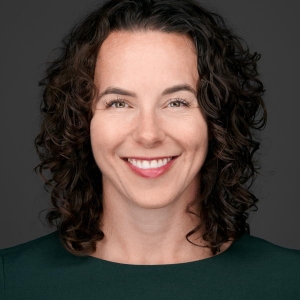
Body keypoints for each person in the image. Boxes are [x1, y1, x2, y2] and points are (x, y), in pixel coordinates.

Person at [1, 0, 299, 299]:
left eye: (177, 102)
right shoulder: (11, 282)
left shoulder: (289, 282)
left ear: (216, 119)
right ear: (82, 121)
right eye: (119, 103)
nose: (148, 134)